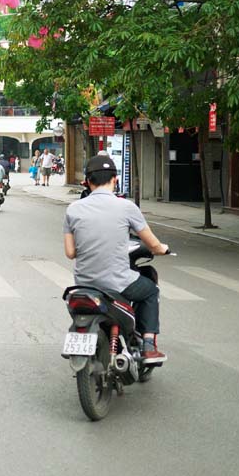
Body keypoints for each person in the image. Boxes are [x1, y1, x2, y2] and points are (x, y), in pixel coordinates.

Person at [63, 154, 169, 363]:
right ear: (115, 180)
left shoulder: (73, 209)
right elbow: (153, 245)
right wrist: (162, 248)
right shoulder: (126, 207)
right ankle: (148, 344)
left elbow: (70, 253)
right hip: (117, 284)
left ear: (88, 182)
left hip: (84, 285)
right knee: (150, 291)